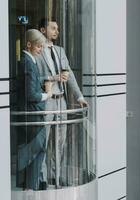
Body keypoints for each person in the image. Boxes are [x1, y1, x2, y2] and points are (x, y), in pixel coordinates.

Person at [36, 18, 88, 187]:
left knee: (60, 142)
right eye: (53, 28)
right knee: (43, 142)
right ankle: (42, 178)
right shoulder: (37, 50)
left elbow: (70, 74)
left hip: (61, 101)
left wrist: (79, 96)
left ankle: (55, 175)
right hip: (46, 101)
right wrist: (53, 78)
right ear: (43, 30)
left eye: (58, 28)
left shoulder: (59, 50)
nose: (57, 31)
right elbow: (34, 77)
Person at [15, 29, 52, 190]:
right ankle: (32, 188)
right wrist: (47, 94)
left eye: (42, 47)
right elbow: (31, 94)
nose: (41, 50)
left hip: (30, 115)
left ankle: (30, 187)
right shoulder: (28, 63)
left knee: (31, 153)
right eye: (39, 46)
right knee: (36, 152)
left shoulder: (26, 61)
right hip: (32, 115)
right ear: (29, 44)